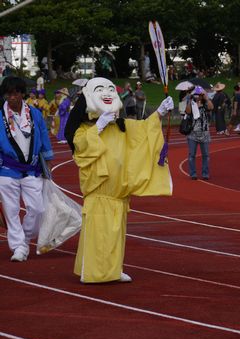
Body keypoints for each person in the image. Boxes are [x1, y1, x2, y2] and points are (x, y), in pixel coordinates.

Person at [65, 77, 173, 283]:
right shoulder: (83, 130)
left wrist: (159, 112)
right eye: (100, 89)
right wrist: (98, 127)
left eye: (109, 89)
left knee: (116, 236)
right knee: (98, 236)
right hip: (99, 195)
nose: (106, 93)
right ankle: (93, 272)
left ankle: (113, 269)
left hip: (118, 196)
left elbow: (143, 130)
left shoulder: (122, 127)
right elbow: (80, 145)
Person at [0, 77, 53, 262]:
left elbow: (44, 137)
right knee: (11, 210)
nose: (12, 97)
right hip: (7, 169)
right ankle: (18, 247)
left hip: (32, 169)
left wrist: (48, 161)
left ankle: (25, 237)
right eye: (8, 94)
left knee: (38, 208)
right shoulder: (0, 115)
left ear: (22, 93)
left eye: (15, 93)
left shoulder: (35, 114)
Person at [185, 85, 214, 180]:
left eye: (200, 94)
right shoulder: (192, 103)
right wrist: (190, 100)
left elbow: (211, 107)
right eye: (196, 94)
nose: (198, 96)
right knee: (192, 155)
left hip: (204, 133)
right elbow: (187, 112)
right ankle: (193, 173)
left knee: (206, 155)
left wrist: (206, 97)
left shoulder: (206, 104)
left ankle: (205, 173)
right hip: (192, 134)